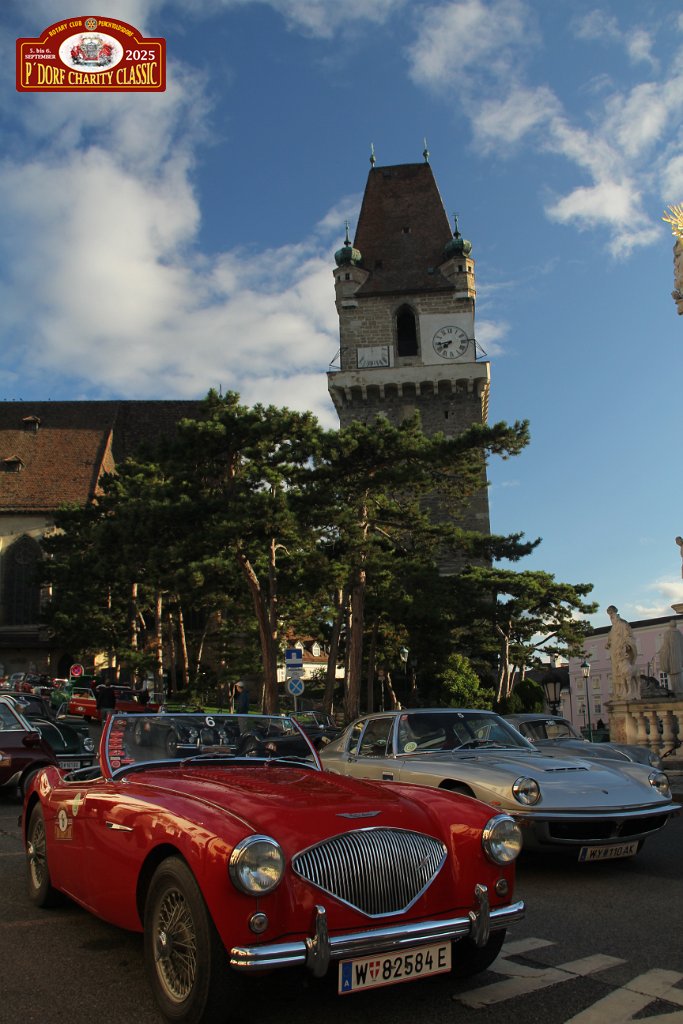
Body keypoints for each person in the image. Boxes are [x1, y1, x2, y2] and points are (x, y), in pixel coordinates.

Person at [605, 605, 640, 700]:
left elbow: (629, 636)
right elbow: (610, 639)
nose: (610, 616)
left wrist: (627, 645)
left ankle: (627, 691)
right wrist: (608, 643)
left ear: (615, 613)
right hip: (615, 653)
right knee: (616, 673)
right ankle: (619, 692)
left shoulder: (623, 624)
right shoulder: (612, 628)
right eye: (609, 615)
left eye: (611, 613)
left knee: (624, 672)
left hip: (621, 652)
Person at [658, 620, 683, 694]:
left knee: (673, 676)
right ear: (675, 625)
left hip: (671, 659)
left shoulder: (667, 633)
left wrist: (661, 652)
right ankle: (680, 690)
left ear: (669, 625)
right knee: (678, 675)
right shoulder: (679, 633)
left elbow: (666, 647)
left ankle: (677, 691)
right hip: (679, 659)